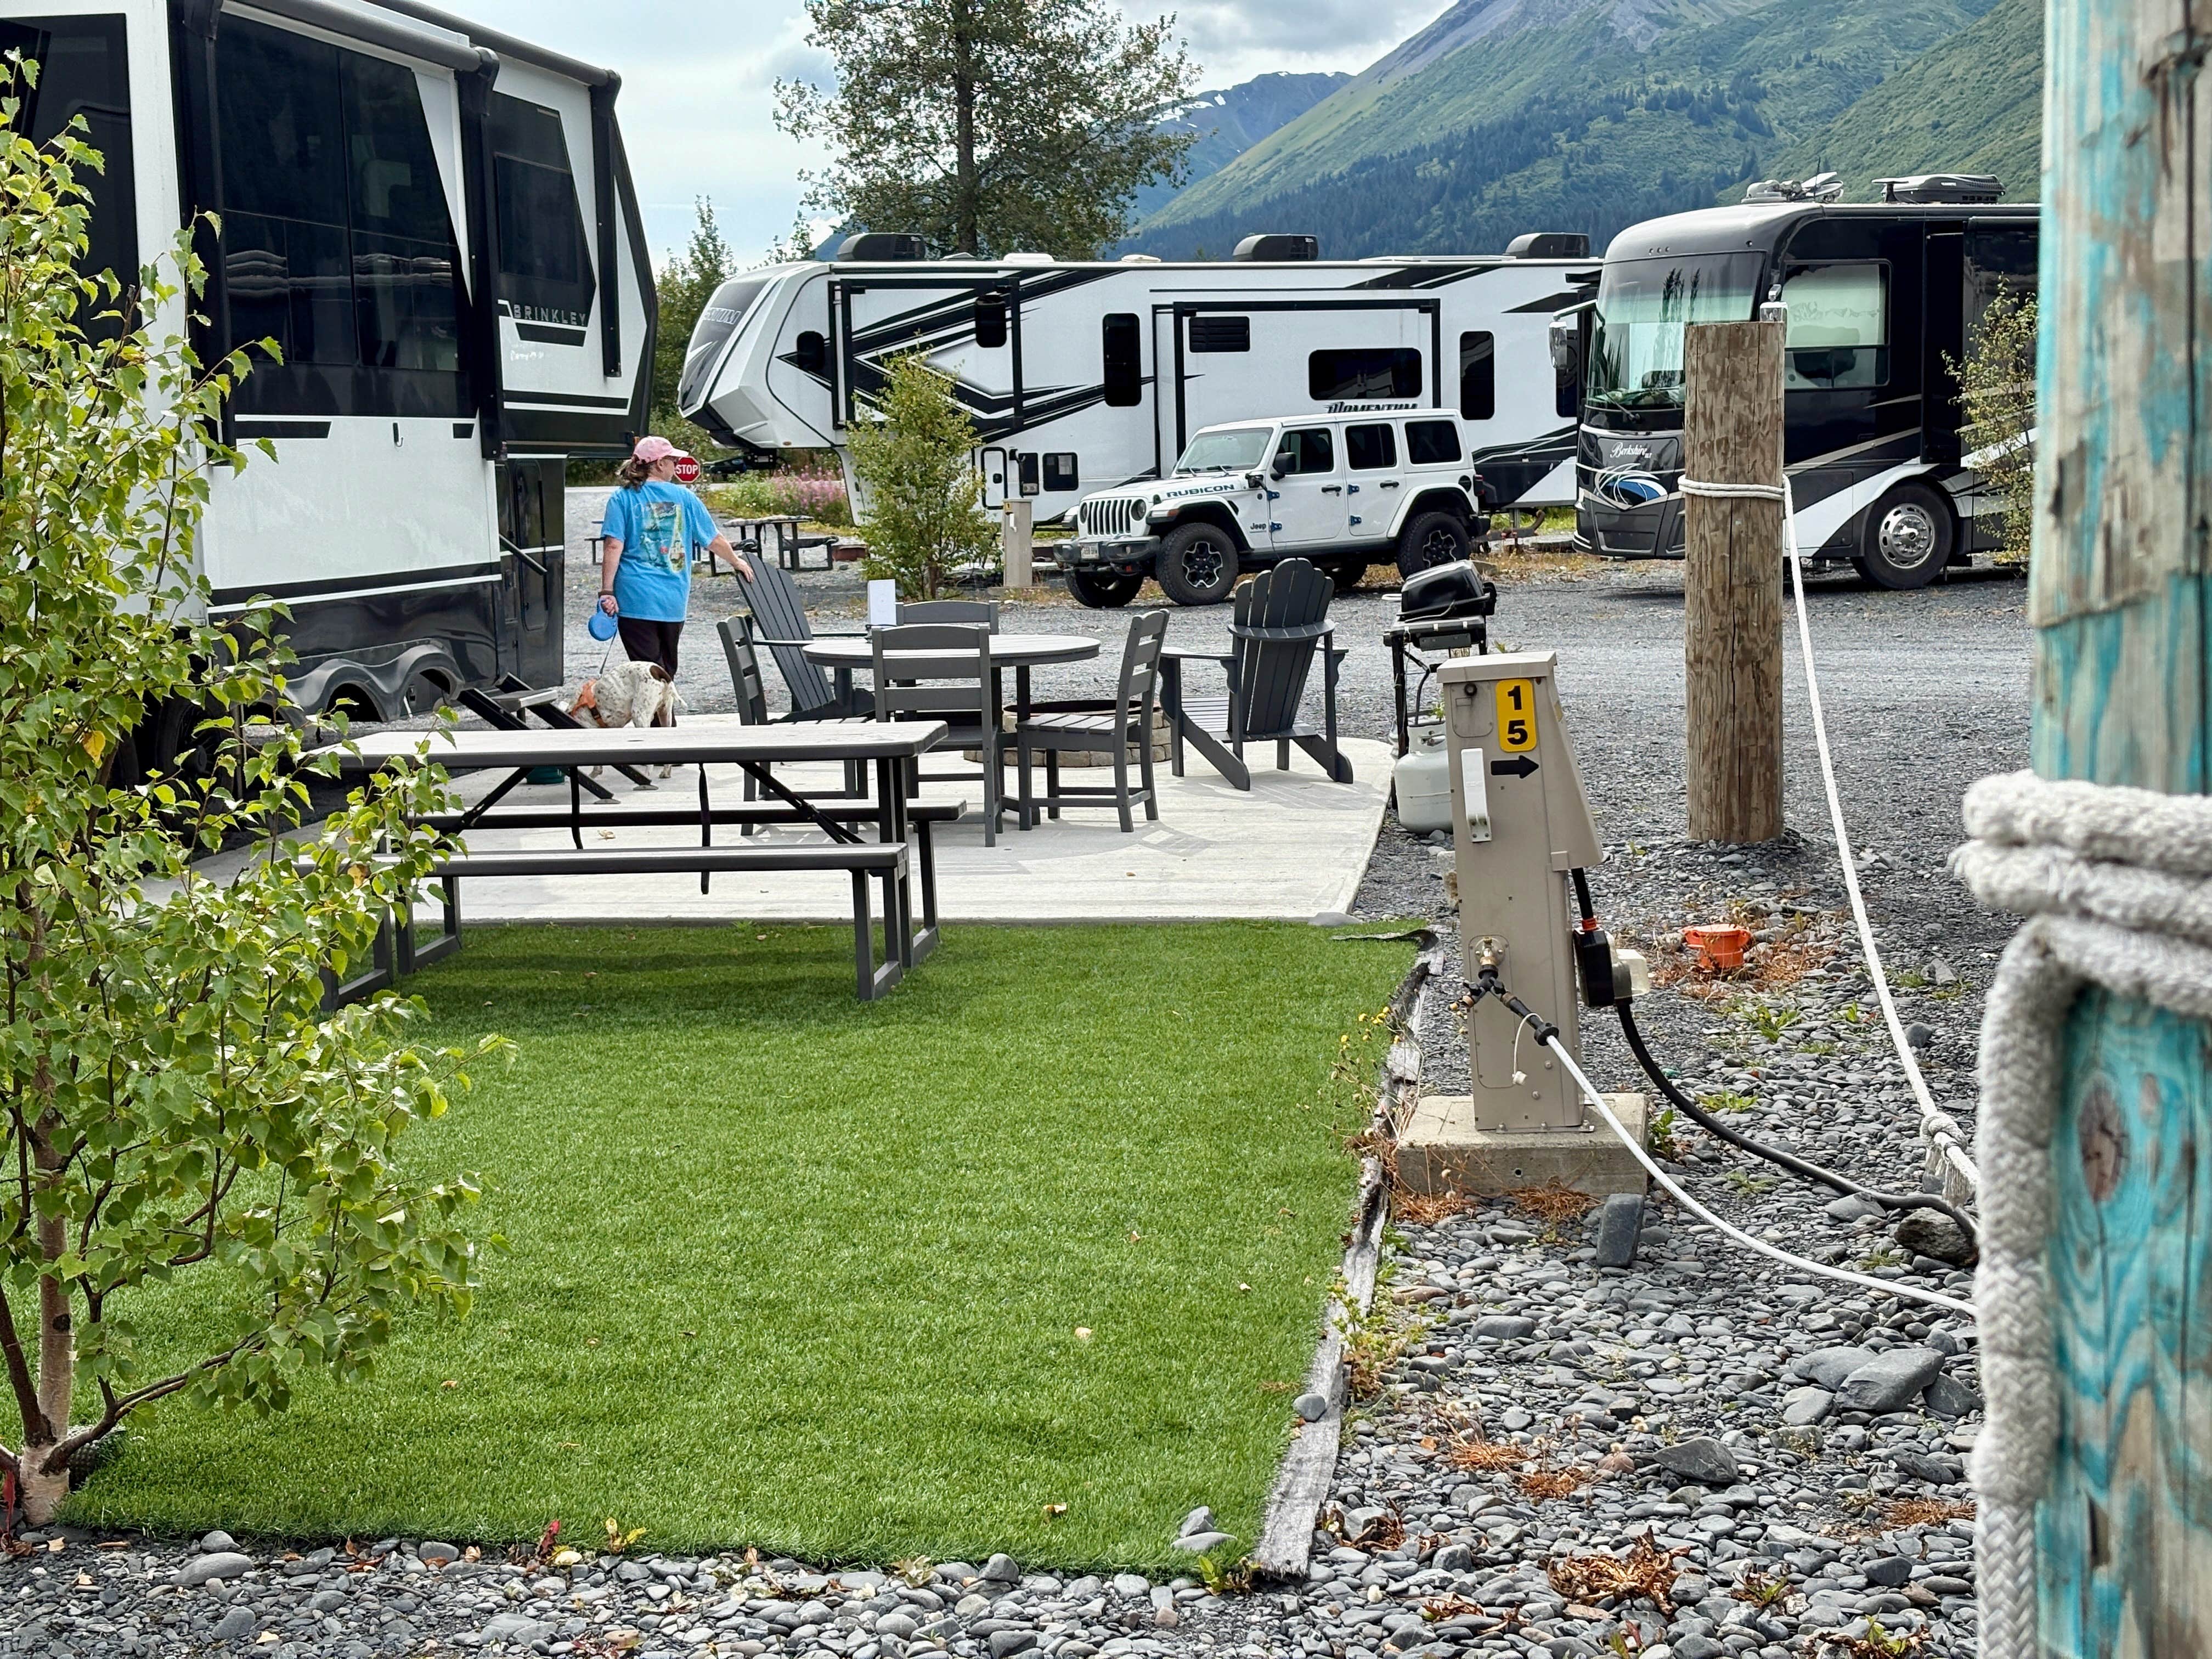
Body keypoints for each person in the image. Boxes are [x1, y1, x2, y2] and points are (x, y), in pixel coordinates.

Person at [597, 435, 752, 676]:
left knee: (650, 674)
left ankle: (660, 715)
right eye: (673, 460)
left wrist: (607, 591)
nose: (676, 466)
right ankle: (664, 716)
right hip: (673, 600)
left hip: (635, 598)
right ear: (659, 464)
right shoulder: (686, 498)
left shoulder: (622, 498)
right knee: (665, 672)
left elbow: (613, 546)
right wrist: (736, 561)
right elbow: (713, 540)